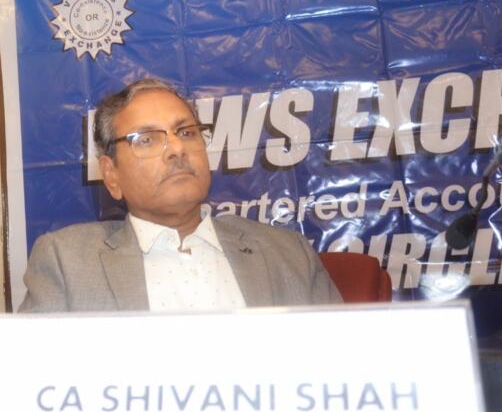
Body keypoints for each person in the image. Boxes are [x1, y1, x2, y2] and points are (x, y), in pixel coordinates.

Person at [19, 78, 341, 312]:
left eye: (186, 133)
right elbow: (32, 377)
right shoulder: (66, 263)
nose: (176, 148)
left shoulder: (289, 255)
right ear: (111, 175)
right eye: (146, 139)